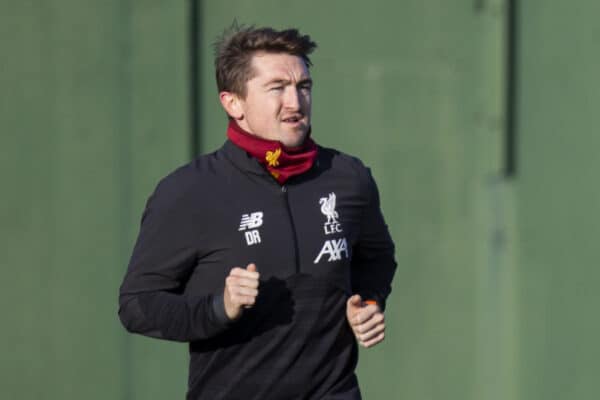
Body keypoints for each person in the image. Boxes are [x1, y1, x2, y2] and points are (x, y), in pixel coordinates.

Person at [118, 25, 397, 400]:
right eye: (277, 88)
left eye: (304, 87)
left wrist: (368, 302)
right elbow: (138, 305)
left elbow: (377, 259)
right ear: (233, 103)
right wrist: (220, 307)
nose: (295, 103)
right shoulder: (189, 191)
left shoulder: (348, 178)